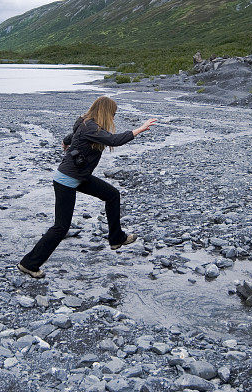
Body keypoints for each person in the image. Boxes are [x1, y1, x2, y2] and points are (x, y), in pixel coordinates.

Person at [17, 96, 157, 278]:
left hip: (79, 177)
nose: (113, 117)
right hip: (66, 180)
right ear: (105, 111)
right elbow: (114, 140)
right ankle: (29, 264)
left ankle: (116, 238)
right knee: (61, 227)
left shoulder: (86, 122)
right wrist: (140, 129)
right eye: (113, 114)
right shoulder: (90, 127)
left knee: (112, 195)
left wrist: (67, 142)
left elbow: (72, 135)